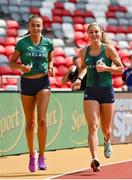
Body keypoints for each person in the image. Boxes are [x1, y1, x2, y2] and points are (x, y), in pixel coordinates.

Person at [72, 22, 124, 172]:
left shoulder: (108, 49)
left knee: (106, 129)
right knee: (92, 126)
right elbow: (83, 68)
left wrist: (106, 68)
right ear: (87, 35)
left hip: (106, 91)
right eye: (91, 32)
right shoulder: (83, 52)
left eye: (96, 31)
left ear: (101, 33)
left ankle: (107, 141)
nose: (94, 34)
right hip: (91, 91)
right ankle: (95, 158)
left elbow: (120, 68)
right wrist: (78, 79)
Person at [9, 14, 54, 172]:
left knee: (42, 120)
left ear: (42, 27)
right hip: (27, 82)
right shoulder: (22, 43)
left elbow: (50, 59)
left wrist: (50, 67)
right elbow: (12, 62)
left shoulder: (48, 43)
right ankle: (31, 155)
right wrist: (21, 67)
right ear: (29, 26)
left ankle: (42, 156)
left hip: (43, 82)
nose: (36, 28)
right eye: (33, 25)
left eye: (38, 25)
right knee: (30, 123)